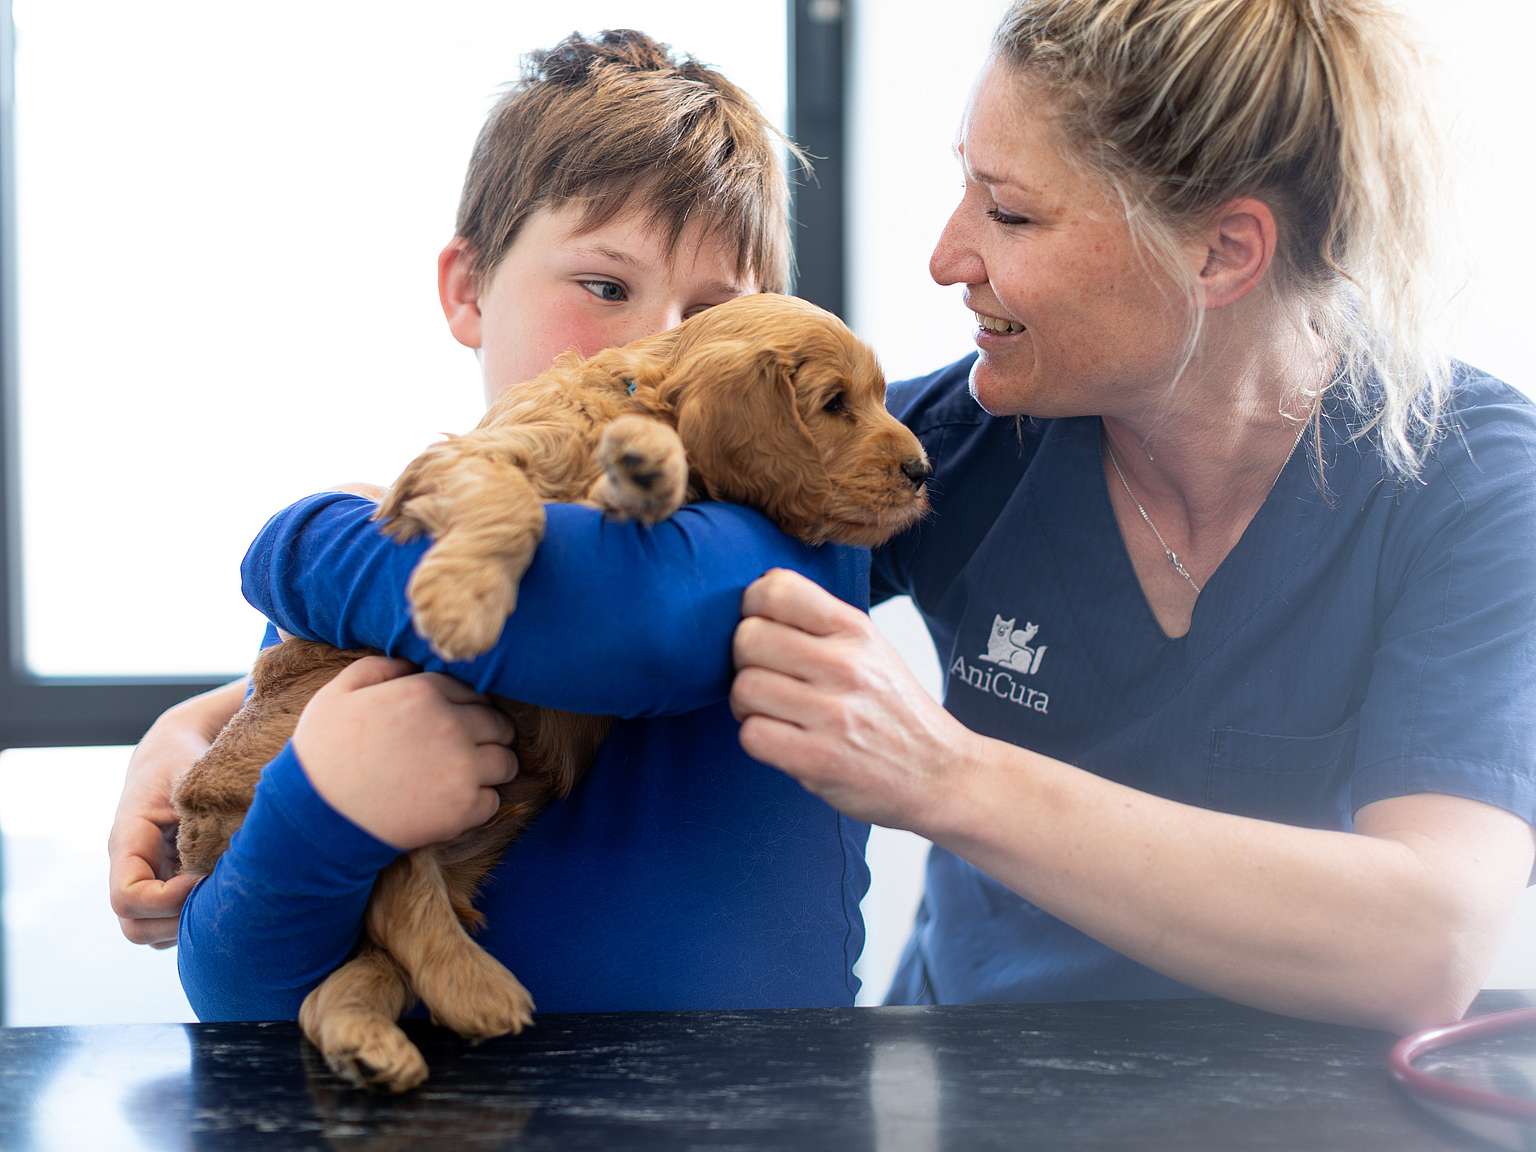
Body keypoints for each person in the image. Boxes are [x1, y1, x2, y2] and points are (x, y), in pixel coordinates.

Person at [123, 0, 1536, 1034]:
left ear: (1225, 250)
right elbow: (614, 596)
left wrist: (944, 776)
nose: (942, 255)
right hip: (974, 1077)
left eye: (1011, 212)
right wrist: (228, 716)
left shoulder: (1469, 481)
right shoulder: (965, 440)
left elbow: (1429, 935)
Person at [109, 29, 874, 1018]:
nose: (657, 345)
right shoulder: (399, 551)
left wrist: (296, 546)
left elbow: (612, 614)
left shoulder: (808, 536)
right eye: (605, 288)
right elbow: (232, 990)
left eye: (716, 313)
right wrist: (323, 809)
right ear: (467, 291)